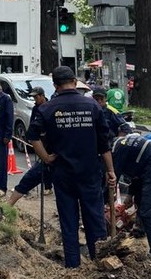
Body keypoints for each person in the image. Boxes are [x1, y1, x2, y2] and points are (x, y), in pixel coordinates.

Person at [28, 65, 116, 268]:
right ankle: (99, 264)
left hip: (63, 173)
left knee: (69, 222)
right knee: (95, 219)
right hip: (90, 172)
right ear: (75, 82)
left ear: (55, 86)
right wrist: (110, 170)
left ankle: (73, 267)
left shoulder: (47, 109)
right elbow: (104, 143)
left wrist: (47, 158)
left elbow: (32, 137)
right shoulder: (92, 106)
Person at [111, 133, 151, 265]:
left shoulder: (116, 149)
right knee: (139, 199)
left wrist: (106, 201)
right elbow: (135, 174)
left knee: (147, 212)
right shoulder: (122, 145)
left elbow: (112, 176)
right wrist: (130, 195)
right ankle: (140, 230)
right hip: (147, 166)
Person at [7, 86, 53, 206]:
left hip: (49, 142)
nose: (35, 99)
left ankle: (48, 186)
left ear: (42, 96)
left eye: (36, 97)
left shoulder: (49, 107)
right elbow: (33, 124)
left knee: (47, 165)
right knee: (41, 165)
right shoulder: (35, 108)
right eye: (33, 97)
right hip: (39, 140)